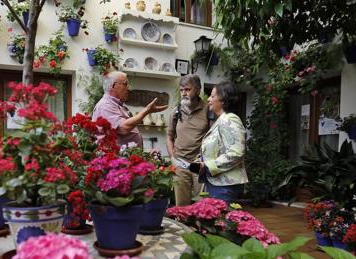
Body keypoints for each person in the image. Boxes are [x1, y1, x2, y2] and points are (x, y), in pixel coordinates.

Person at [190, 81, 247, 201]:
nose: (209, 99)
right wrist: (200, 161)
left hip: (224, 186)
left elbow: (236, 153)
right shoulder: (221, 120)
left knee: (221, 219)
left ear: (223, 99)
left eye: (212, 96)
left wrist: (207, 165)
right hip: (217, 183)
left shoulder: (230, 120)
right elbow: (218, 149)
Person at [92, 71, 168, 148]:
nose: (128, 87)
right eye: (125, 84)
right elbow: (124, 128)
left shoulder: (116, 105)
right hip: (117, 158)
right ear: (114, 85)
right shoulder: (105, 106)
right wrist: (147, 110)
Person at [166, 75, 209, 206]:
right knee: (181, 207)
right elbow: (169, 137)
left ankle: (198, 227)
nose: (184, 93)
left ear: (197, 90)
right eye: (181, 90)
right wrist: (172, 157)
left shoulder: (208, 111)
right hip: (180, 165)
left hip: (199, 165)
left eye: (187, 89)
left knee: (201, 207)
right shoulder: (176, 111)